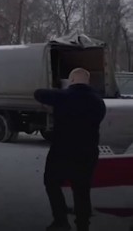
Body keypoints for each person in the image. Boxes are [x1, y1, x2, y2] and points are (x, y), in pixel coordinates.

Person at [33, 68, 107, 231]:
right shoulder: (98, 101)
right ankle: (82, 225)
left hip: (62, 150)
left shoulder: (63, 96)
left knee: (51, 182)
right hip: (88, 152)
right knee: (82, 189)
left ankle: (61, 220)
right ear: (88, 81)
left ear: (71, 80)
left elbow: (38, 93)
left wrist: (61, 89)